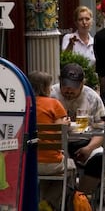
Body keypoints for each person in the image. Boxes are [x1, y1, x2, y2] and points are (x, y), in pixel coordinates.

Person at [50, 63, 105, 195]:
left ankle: (80, 197)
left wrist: (89, 148)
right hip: (57, 143)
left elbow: (101, 129)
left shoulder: (92, 97)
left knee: (99, 159)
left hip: (84, 141)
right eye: (65, 87)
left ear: (82, 84)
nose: (69, 91)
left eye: (73, 88)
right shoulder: (51, 94)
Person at [29, 71, 76, 210]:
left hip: (29, 162)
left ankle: (42, 202)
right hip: (51, 163)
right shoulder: (54, 104)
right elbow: (60, 130)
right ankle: (50, 203)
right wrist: (66, 124)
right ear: (45, 88)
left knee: (46, 173)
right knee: (71, 168)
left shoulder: (25, 104)